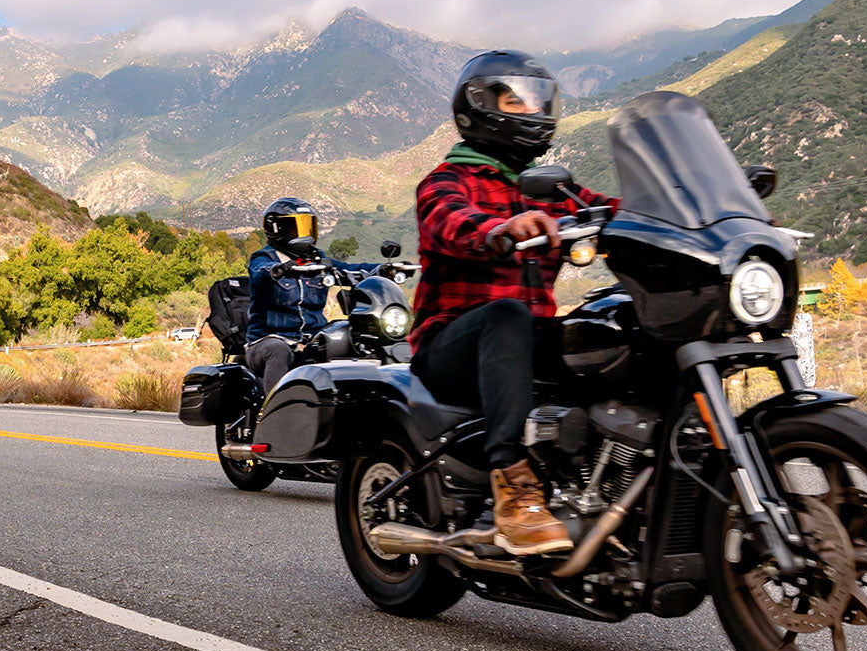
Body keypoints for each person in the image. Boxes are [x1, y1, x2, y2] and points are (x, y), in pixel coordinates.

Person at [409, 51, 618, 557]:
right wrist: (499, 229)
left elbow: (614, 211)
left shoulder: (553, 189)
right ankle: (512, 483)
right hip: (452, 346)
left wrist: (702, 219)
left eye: (540, 103)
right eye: (516, 101)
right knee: (507, 312)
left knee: (610, 323)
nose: (533, 112)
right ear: (479, 107)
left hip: (524, 343)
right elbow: (451, 222)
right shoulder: (446, 181)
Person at [245, 198, 380, 395]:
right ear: (276, 229)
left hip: (311, 338)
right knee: (278, 349)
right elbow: (260, 272)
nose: (305, 235)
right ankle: (274, 413)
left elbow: (348, 269)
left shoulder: (316, 259)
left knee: (347, 337)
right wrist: (279, 269)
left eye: (308, 226)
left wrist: (381, 269)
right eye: (297, 227)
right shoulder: (264, 258)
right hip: (266, 341)